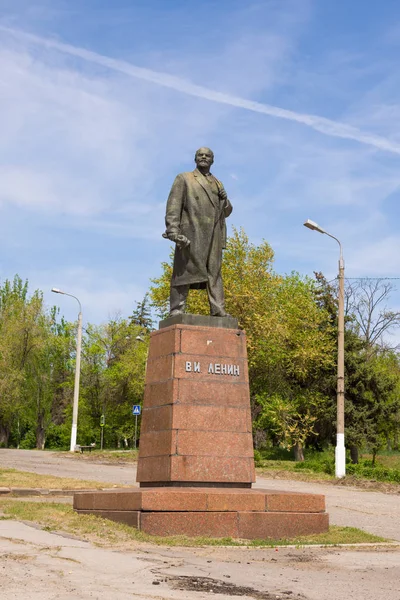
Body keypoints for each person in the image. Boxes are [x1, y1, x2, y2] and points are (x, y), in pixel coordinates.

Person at [163, 147, 233, 317]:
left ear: (212, 160)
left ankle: (218, 309)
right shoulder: (184, 178)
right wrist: (173, 230)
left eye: (207, 155)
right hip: (191, 232)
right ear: (195, 159)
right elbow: (173, 206)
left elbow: (226, 211)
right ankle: (176, 310)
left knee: (214, 272)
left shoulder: (217, 183)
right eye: (200, 155)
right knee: (183, 272)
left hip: (214, 234)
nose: (203, 157)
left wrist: (224, 199)